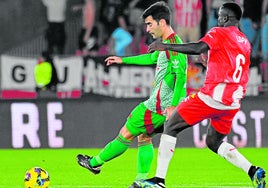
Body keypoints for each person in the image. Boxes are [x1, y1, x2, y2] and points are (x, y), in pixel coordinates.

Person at [145, 2, 266, 188]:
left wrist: (165, 46)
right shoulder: (244, 42)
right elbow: (231, 68)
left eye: (220, 16)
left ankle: (159, 181)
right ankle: (253, 170)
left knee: (171, 125)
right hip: (232, 101)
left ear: (225, 18)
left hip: (213, 96)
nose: (218, 20)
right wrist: (209, 64)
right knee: (213, 141)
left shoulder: (219, 32)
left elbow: (197, 47)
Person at [76, 1, 187, 187]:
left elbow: (181, 76)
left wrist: (173, 105)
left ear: (161, 22)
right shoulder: (167, 44)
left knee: (126, 132)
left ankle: (94, 163)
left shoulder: (174, 45)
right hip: (164, 105)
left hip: (159, 105)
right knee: (144, 137)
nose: (148, 29)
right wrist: (123, 60)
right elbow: (151, 58)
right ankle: (140, 180)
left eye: (150, 24)